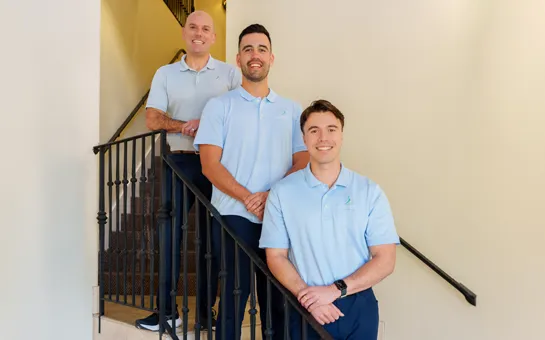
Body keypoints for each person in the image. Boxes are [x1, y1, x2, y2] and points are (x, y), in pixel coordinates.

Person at [194, 24, 309, 340]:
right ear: (238, 59)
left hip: (278, 217)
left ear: (271, 57)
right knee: (234, 297)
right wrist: (249, 197)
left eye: (260, 49)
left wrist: (271, 196)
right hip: (232, 215)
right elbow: (209, 164)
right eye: (248, 49)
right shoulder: (219, 106)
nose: (254, 55)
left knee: (277, 300)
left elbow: (302, 161)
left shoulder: (291, 109)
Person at [135, 10, 241, 332]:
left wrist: (207, 125)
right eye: (193, 27)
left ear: (213, 37)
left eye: (206, 29)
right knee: (169, 237)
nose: (199, 33)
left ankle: (206, 313)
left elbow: (241, 117)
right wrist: (185, 126)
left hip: (218, 164)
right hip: (178, 160)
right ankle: (167, 311)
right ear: (184, 33)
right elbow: (153, 119)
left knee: (213, 242)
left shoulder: (229, 74)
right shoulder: (165, 73)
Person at [259, 100, 400, 340]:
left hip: (358, 305)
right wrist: (311, 298)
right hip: (307, 306)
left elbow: (385, 259)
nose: (323, 137)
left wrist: (335, 290)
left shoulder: (368, 191)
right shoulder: (282, 192)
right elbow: (276, 256)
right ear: (304, 139)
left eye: (331, 129)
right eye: (314, 130)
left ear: (342, 135)